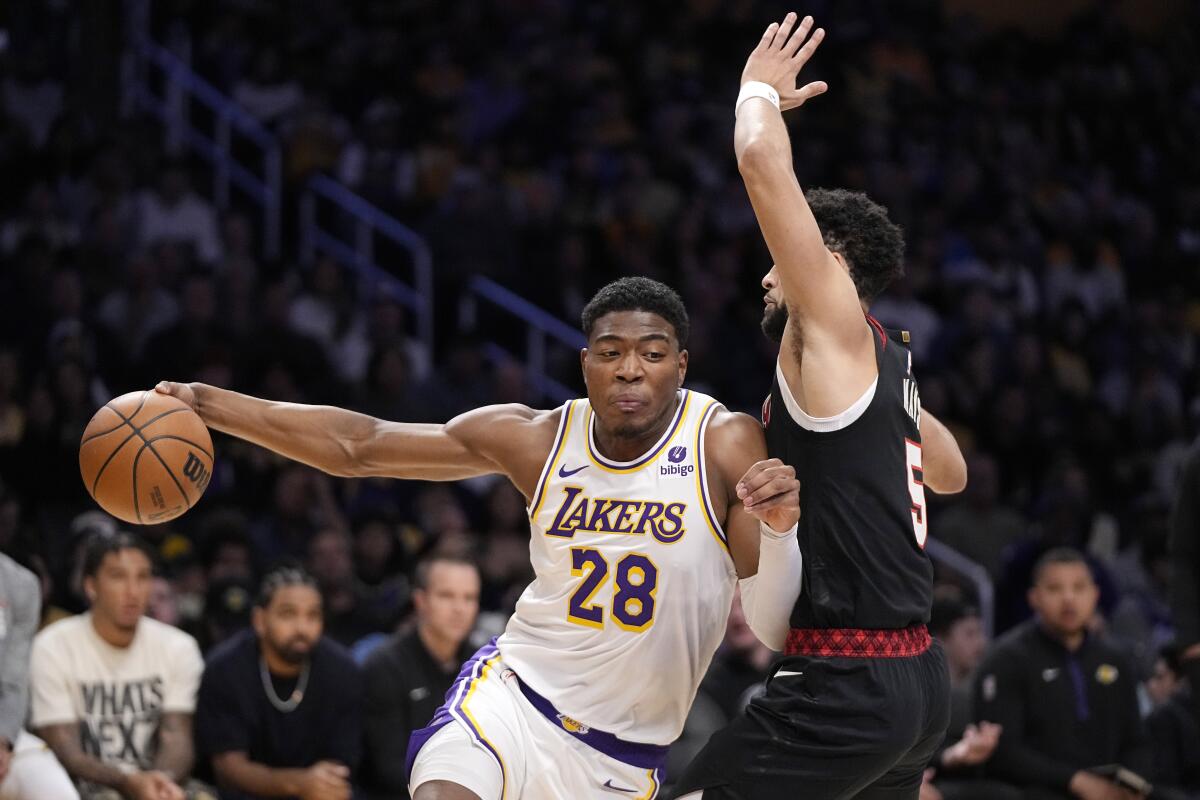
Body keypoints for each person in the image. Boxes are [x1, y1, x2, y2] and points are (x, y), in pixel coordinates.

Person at [156, 275, 804, 800]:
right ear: (585, 365)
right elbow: (361, 445)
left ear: (681, 365)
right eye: (610, 353)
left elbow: (774, 628)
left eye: (653, 353)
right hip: (511, 701)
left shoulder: (721, 442)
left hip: (621, 757)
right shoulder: (538, 438)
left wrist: (779, 535)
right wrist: (208, 406)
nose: (630, 370)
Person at [671, 13, 967, 799]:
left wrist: (754, 93)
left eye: (781, 262)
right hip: (917, 679)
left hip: (852, 678)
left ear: (826, 264)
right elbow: (953, 474)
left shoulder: (830, 323)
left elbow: (762, 160)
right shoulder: (885, 361)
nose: (766, 277)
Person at [29, 532, 210, 800]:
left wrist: (158, 783)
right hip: (81, 786)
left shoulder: (179, 647)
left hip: (158, 779)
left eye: (143, 577)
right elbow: (64, 747)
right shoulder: (53, 645)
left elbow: (178, 738)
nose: (132, 591)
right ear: (91, 586)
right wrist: (127, 782)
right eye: (118, 577)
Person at [974, 548, 1151, 800]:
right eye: (1055, 589)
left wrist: (1134, 783)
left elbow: (1136, 740)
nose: (1068, 598)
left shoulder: (1115, 659)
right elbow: (1004, 753)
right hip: (1038, 791)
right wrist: (1076, 781)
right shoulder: (1006, 659)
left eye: (1079, 588)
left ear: (1095, 594)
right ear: (1034, 598)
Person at [193, 565, 363, 800]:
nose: (302, 628)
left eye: (312, 615)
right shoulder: (224, 668)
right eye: (288, 614)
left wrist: (319, 785)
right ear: (260, 620)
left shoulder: (342, 669)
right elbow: (228, 770)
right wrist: (299, 784)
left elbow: (341, 762)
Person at [360, 555, 481, 799]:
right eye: (447, 596)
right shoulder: (385, 665)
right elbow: (388, 768)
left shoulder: (483, 665)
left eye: (469, 598)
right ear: (420, 601)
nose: (459, 608)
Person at [0, 552, 77, 800]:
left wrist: (3, 739)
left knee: (57, 793)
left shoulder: (19, 583)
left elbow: (13, 678)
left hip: (4, 732)